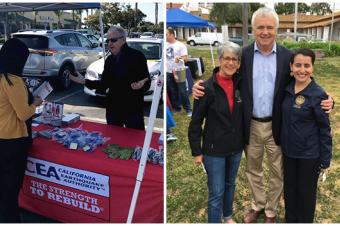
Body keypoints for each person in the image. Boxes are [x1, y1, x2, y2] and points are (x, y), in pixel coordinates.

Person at [192, 7, 334, 223]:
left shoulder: (288, 56)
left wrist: (326, 98)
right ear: (253, 29)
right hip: (250, 124)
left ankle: (271, 211)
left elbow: (303, 77)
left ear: (277, 29)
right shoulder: (244, 55)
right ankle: (258, 205)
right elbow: (225, 74)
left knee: (278, 172)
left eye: (270, 27)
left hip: (278, 125)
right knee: (253, 170)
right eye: (260, 27)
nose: (265, 31)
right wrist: (199, 86)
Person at [188, 42, 244, 223]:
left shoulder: (242, 84)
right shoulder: (206, 88)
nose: (230, 63)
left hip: (235, 147)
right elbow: (195, 122)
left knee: (230, 184)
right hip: (214, 150)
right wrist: (197, 151)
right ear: (219, 60)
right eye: (227, 58)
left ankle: (227, 216)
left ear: (239, 63)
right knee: (216, 193)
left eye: (234, 59)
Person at [281, 48, 332, 223]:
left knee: (305, 195)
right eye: (298, 65)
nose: (302, 70)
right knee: (290, 192)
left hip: (309, 156)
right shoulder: (286, 88)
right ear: (291, 66)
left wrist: (325, 159)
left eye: (307, 65)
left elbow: (325, 130)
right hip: (288, 153)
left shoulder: (318, 95)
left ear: (313, 67)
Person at [69, 25, 150, 130]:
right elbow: (104, 83)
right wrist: (84, 81)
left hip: (133, 108)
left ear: (123, 40)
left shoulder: (137, 56)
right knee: (113, 140)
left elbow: (146, 80)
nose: (110, 43)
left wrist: (141, 86)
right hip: (113, 108)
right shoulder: (110, 60)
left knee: (135, 141)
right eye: (108, 40)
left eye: (113, 40)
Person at [0, 38, 42, 222]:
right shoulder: (12, 80)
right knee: (10, 192)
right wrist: (36, 103)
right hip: (13, 142)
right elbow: (24, 114)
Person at [166, 27, 192, 117]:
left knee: (182, 91)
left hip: (179, 71)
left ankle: (188, 109)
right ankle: (177, 108)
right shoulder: (165, 44)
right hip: (168, 71)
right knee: (173, 90)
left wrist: (179, 58)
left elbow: (186, 58)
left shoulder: (180, 45)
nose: (165, 36)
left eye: (166, 34)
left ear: (172, 35)